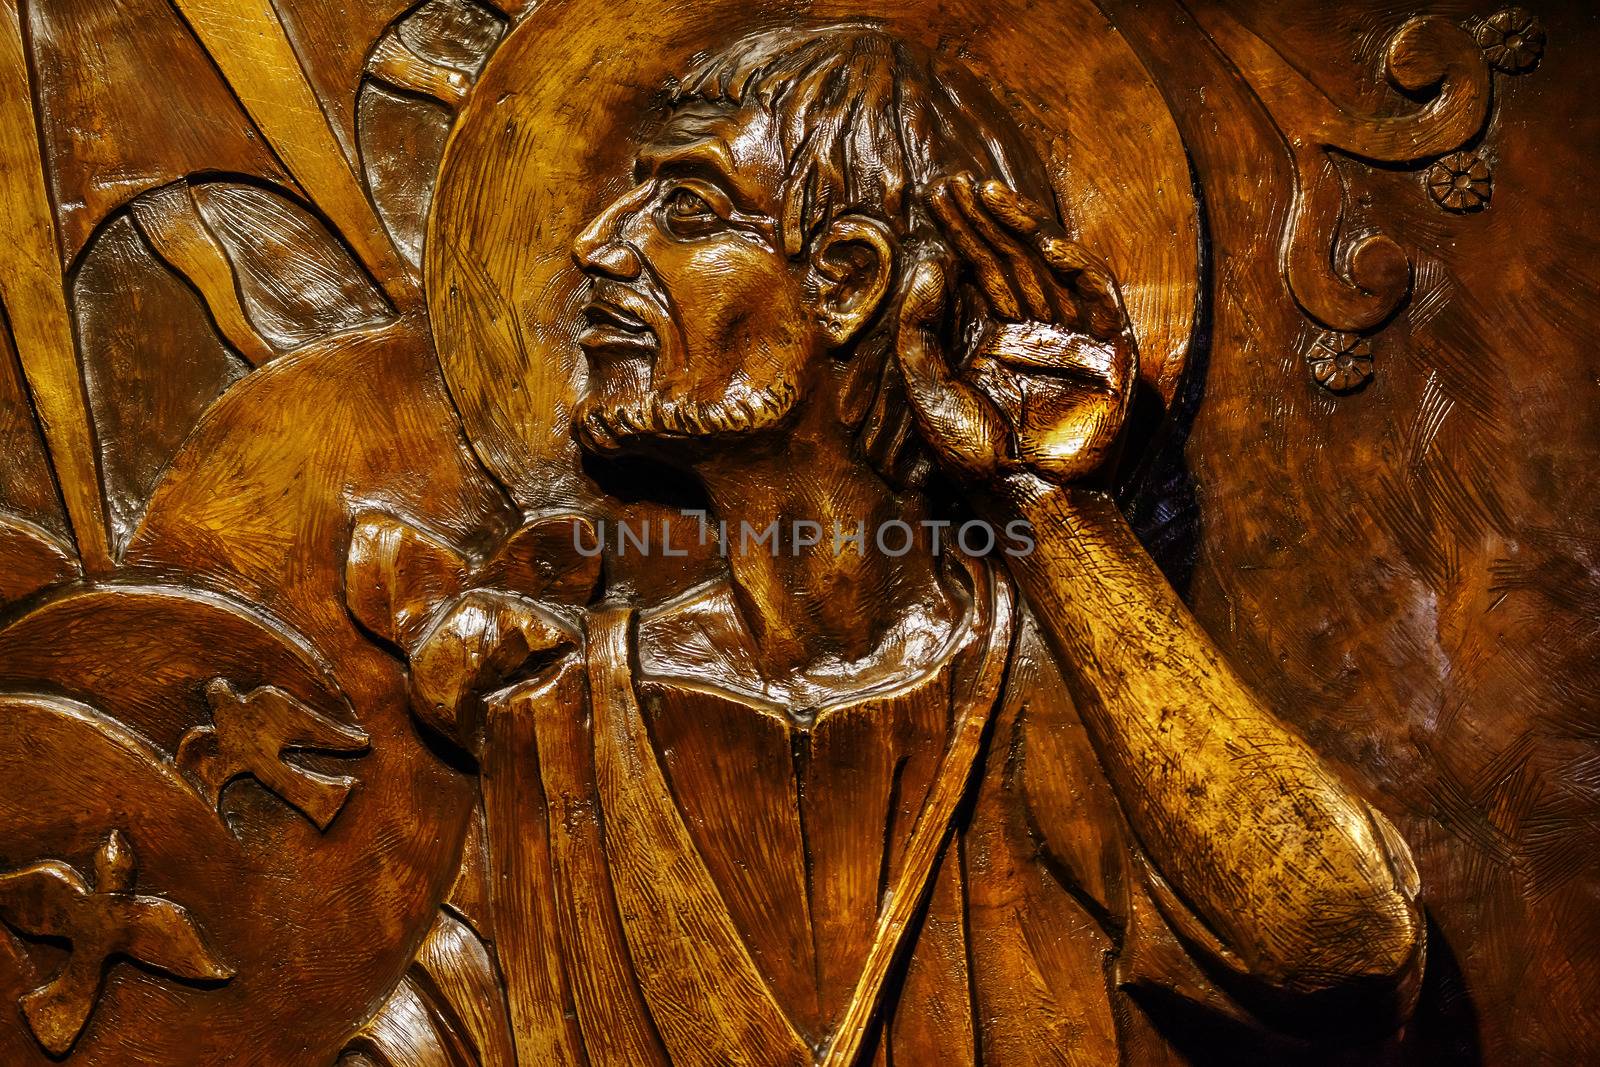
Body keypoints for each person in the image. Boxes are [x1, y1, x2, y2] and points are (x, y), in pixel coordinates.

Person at [379, 24, 1424, 1064]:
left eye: (686, 208)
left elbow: (1340, 944)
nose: (600, 245)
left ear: (845, 281)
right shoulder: (561, 727)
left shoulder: (1052, 699)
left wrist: (1043, 504)